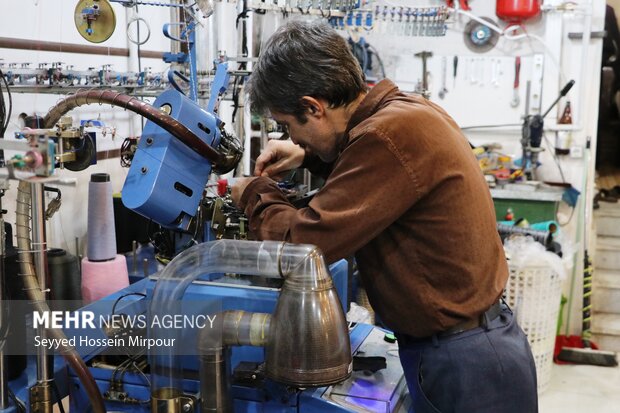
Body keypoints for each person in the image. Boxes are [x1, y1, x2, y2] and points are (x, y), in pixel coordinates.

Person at [231, 20, 538, 413]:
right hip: (469, 346)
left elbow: (300, 247)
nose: (292, 139)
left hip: (464, 364)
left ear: (313, 107)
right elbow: (379, 177)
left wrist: (254, 193)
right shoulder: (405, 111)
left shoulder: (386, 137)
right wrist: (308, 156)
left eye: (290, 128)